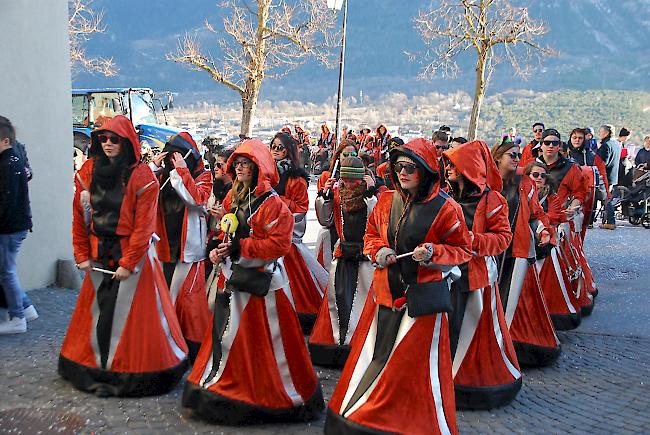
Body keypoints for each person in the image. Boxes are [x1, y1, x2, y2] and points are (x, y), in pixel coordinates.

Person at [325, 138, 472, 435]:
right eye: (398, 167)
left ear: (426, 171)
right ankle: (368, 413)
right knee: (376, 356)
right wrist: (378, 250)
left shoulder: (448, 209)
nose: (403, 173)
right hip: (384, 295)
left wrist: (433, 253)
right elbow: (370, 234)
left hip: (422, 301)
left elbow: (463, 250)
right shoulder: (384, 201)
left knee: (411, 366)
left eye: (411, 168)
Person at [183, 139, 324, 424]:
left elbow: (278, 246)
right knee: (227, 337)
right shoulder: (232, 199)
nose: (241, 169)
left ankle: (261, 392)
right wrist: (219, 250)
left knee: (265, 347)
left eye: (247, 165)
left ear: (260, 169)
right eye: (238, 165)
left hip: (263, 289)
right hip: (233, 280)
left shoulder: (274, 206)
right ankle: (226, 382)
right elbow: (228, 235)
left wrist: (241, 248)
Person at [59, 115, 188, 397]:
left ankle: (123, 370)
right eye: (103, 138)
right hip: (98, 257)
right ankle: (97, 366)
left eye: (114, 139)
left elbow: (144, 226)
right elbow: (79, 217)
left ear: (126, 143)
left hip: (134, 260)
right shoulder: (88, 172)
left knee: (131, 321)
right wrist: (81, 254)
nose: (107, 143)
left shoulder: (142, 176)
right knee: (98, 315)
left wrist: (129, 263)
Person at [443, 140, 523, 408]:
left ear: (468, 167)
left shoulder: (493, 200)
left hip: (476, 277)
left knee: (473, 330)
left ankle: (464, 380)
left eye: (454, 164)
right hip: (447, 274)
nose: (448, 168)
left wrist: (471, 240)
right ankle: (443, 377)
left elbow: (502, 238)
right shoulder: (446, 195)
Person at [491, 140, 559, 367]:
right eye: (511, 154)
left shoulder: (525, 183)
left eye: (518, 155)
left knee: (508, 304)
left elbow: (535, 214)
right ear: (498, 156)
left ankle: (501, 351)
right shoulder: (485, 181)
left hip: (516, 252)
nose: (516, 158)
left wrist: (542, 231)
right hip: (488, 252)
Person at [309, 155, 377, 367]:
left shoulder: (372, 197)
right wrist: (324, 196)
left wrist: (371, 193)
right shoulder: (337, 195)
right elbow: (326, 219)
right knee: (338, 297)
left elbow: (377, 222)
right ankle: (337, 343)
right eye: (345, 180)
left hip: (364, 256)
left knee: (363, 300)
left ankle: (360, 344)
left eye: (352, 180)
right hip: (343, 252)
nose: (348, 184)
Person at [150, 132, 212, 363]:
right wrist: (154, 168)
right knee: (164, 294)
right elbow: (142, 191)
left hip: (189, 248)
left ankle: (190, 345)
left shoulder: (203, 175)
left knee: (187, 299)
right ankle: (166, 341)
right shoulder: (165, 175)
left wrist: (181, 171)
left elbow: (196, 199)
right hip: (165, 244)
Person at [270, 132, 327, 334]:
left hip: (286, 239)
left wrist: (277, 200)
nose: (275, 151)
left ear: (289, 151)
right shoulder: (265, 174)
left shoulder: (297, 178)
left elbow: (301, 209)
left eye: (280, 148)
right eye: (273, 146)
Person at [536, 128, 587, 330]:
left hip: (559, 222)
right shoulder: (531, 165)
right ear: (541, 144)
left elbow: (579, 193)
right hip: (535, 219)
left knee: (560, 266)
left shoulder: (570, 168)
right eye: (547, 142)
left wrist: (572, 208)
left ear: (560, 145)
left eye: (555, 143)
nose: (550, 146)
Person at [525, 162, 580, 329]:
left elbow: (553, 216)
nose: (539, 178)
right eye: (535, 175)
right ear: (527, 176)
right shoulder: (522, 194)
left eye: (543, 175)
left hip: (545, 244)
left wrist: (536, 220)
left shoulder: (551, 196)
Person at [0, 116, 37, 334]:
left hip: (11, 227)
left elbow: (8, 199)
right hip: (15, 225)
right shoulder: (12, 159)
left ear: (6, 140)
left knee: (6, 272)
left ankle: (17, 317)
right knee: (6, 271)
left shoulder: (10, 161)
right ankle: (25, 307)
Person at [567, 128, 609, 239]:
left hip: (586, 196)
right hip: (566, 195)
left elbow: (601, 175)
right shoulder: (563, 153)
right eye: (574, 137)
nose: (577, 140)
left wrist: (605, 197)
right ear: (570, 138)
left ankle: (578, 249)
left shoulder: (592, 156)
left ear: (584, 139)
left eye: (580, 138)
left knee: (581, 227)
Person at [598, 125, 621, 229]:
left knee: (607, 199)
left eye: (601, 132)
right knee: (607, 198)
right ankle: (607, 220)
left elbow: (602, 162)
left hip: (605, 175)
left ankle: (611, 221)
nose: (600, 134)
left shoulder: (605, 145)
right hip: (613, 175)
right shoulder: (617, 143)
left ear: (606, 133)